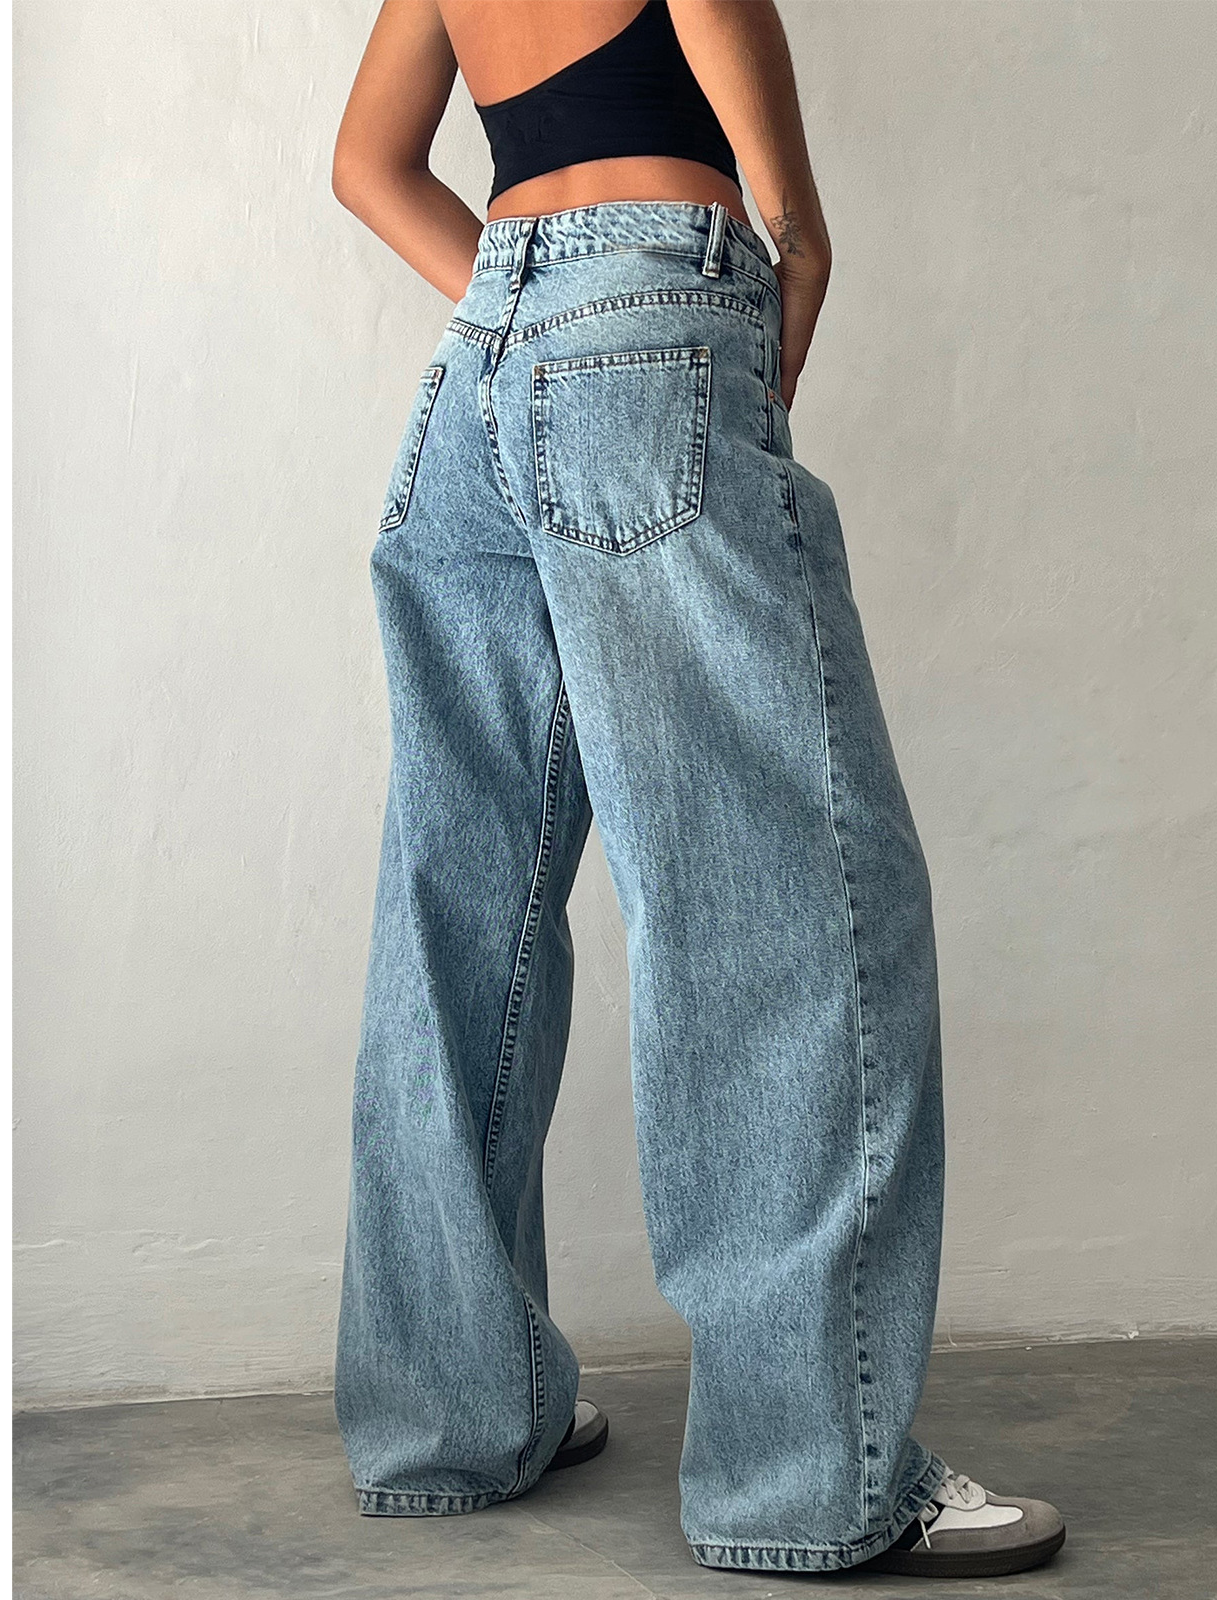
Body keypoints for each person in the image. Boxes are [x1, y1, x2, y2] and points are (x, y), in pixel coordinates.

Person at [328, 0, 1064, 1579]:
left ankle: (448, 1420)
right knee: (785, 898)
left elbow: (366, 163)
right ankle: (805, 1483)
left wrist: (531, 313)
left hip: (482, 365)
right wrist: (793, 224)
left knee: (462, 909)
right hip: (649, 305)